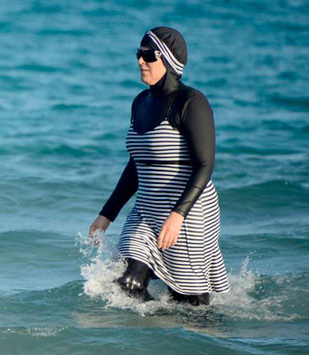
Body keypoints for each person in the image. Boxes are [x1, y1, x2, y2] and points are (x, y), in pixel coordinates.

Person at [88, 27, 229, 305]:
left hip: (189, 212)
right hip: (146, 210)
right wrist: (107, 214)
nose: (141, 61)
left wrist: (178, 215)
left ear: (168, 59)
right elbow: (135, 166)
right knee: (126, 283)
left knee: (191, 305)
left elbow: (205, 164)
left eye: (148, 55)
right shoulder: (140, 102)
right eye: (138, 54)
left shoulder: (192, 102)